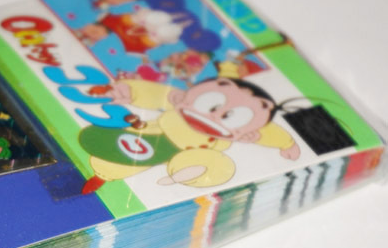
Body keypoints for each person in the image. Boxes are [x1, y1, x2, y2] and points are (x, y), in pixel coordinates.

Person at [80, 77, 301, 194]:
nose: (215, 115)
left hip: (189, 152)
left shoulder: (236, 132)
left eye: (229, 115)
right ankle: (101, 176)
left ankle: (182, 174)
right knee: (117, 158)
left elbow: (266, 131)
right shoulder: (179, 101)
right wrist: (128, 91)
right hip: (153, 132)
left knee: (210, 161)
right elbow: (157, 93)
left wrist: (286, 142)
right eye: (212, 105)